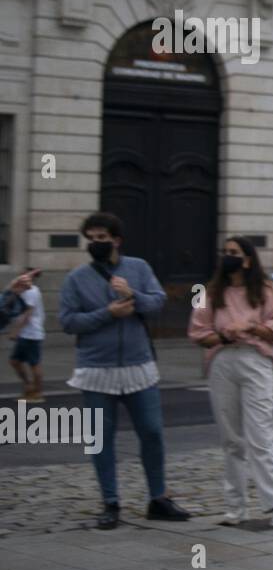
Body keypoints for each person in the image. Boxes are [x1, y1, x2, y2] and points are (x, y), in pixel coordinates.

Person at [58, 212, 190, 530]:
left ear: (116, 240)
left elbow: (157, 303)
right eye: (91, 238)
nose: (95, 243)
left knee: (152, 432)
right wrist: (107, 313)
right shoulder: (76, 278)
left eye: (102, 238)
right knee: (100, 440)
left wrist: (132, 294)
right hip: (96, 368)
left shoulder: (139, 268)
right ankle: (110, 502)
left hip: (137, 366)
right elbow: (67, 321)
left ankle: (158, 498)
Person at [188, 236, 273, 527]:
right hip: (222, 360)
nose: (228, 256)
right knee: (231, 438)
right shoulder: (210, 292)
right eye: (225, 252)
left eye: (234, 252)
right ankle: (235, 506)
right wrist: (225, 335)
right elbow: (198, 332)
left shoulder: (266, 290)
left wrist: (251, 326)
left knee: (261, 435)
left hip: (256, 360)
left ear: (247, 259)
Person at [9, 267, 45, 402]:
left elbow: (27, 314)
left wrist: (15, 331)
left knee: (34, 364)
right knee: (15, 361)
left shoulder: (31, 292)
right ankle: (29, 386)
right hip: (26, 333)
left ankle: (37, 393)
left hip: (32, 333)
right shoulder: (25, 291)